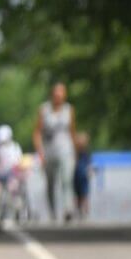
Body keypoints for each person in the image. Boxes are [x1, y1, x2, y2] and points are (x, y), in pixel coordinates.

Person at [32, 82, 77, 223]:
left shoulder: (69, 109)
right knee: (51, 183)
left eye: (61, 93)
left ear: (64, 95)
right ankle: (52, 212)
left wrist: (75, 151)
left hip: (66, 150)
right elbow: (37, 132)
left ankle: (68, 209)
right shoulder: (44, 109)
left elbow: (72, 132)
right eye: (56, 93)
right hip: (49, 151)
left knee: (66, 180)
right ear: (52, 94)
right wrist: (40, 151)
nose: (58, 96)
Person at [0, 124, 24, 223]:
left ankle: (18, 208)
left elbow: (18, 162)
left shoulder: (15, 147)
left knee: (14, 190)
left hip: (12, 175)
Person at [73, 131, 92, 219]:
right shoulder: (74, 154)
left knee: (84, 195)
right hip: (75, 178)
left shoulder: (86, 154)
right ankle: (79, 211)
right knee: (77, 196)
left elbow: (89, 165)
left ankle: (85, 211)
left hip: (83, 178)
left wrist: (89, 172)